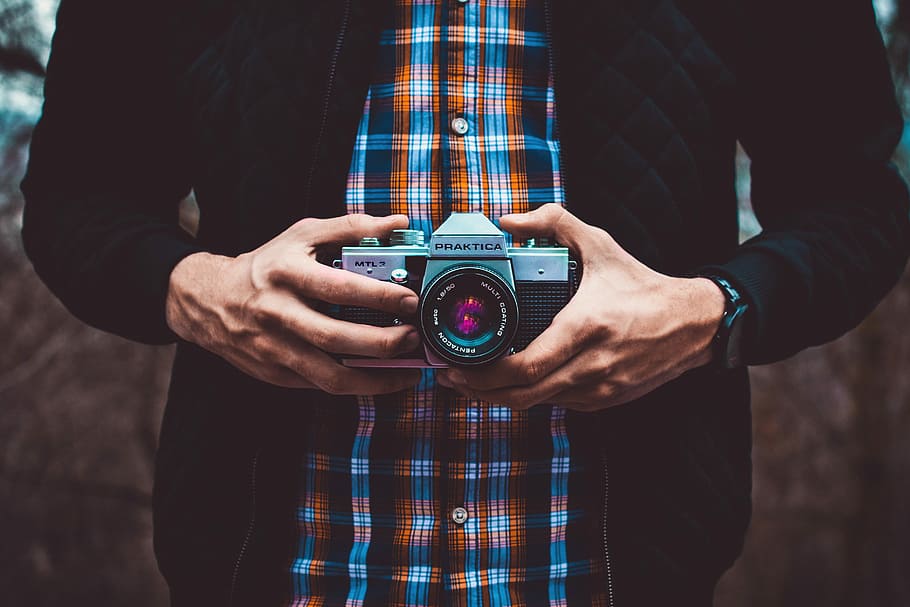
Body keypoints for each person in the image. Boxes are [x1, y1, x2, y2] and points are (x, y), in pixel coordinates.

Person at [19, 0, 910, 605]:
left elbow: (860, 199)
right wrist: (198, 291)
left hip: (617, 572)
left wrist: (711, 313)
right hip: (283, 569)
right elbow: (74, 196)